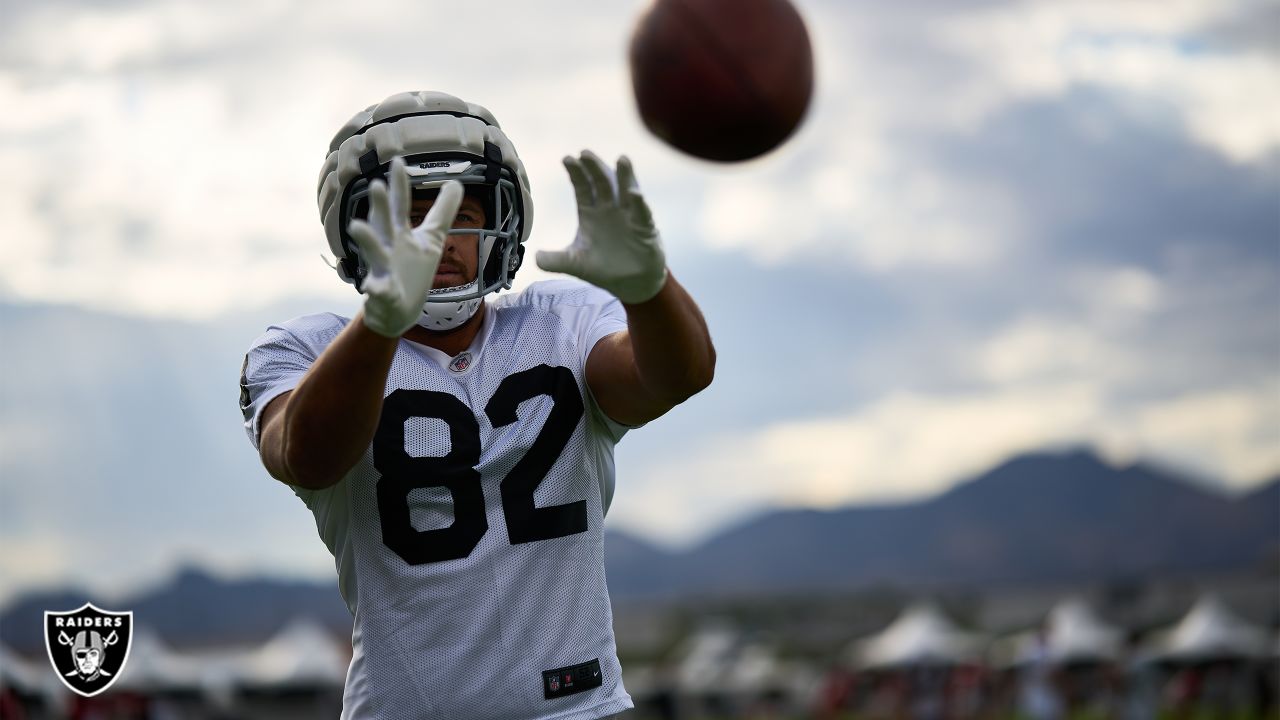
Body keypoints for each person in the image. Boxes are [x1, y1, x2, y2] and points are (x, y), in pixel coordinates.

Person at [238, 90, 715, 719]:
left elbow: (675, 376)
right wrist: (381, 323)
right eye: (411, 215)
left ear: (502, 221)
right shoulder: (303, 351)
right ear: (355, 231)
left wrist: (650, 291)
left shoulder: (564, 321)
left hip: (579, 709)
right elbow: (305, 455)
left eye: (462, 211)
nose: (440, 237)